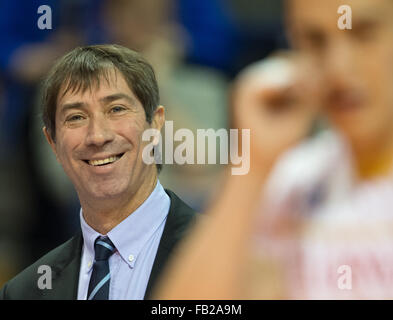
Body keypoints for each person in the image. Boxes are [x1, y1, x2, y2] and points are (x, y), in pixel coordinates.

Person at [153, 0, 393, 299]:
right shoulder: (291, 181)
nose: (339, 67)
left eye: (364, 33)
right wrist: (252, 165)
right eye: (315, 40)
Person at [0, 44, 196, 300]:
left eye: (116, 109)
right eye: (76, 117)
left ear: (156, 124)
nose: (98, 136)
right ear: (53, 143)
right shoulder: (24, 293)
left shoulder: (230, 254)